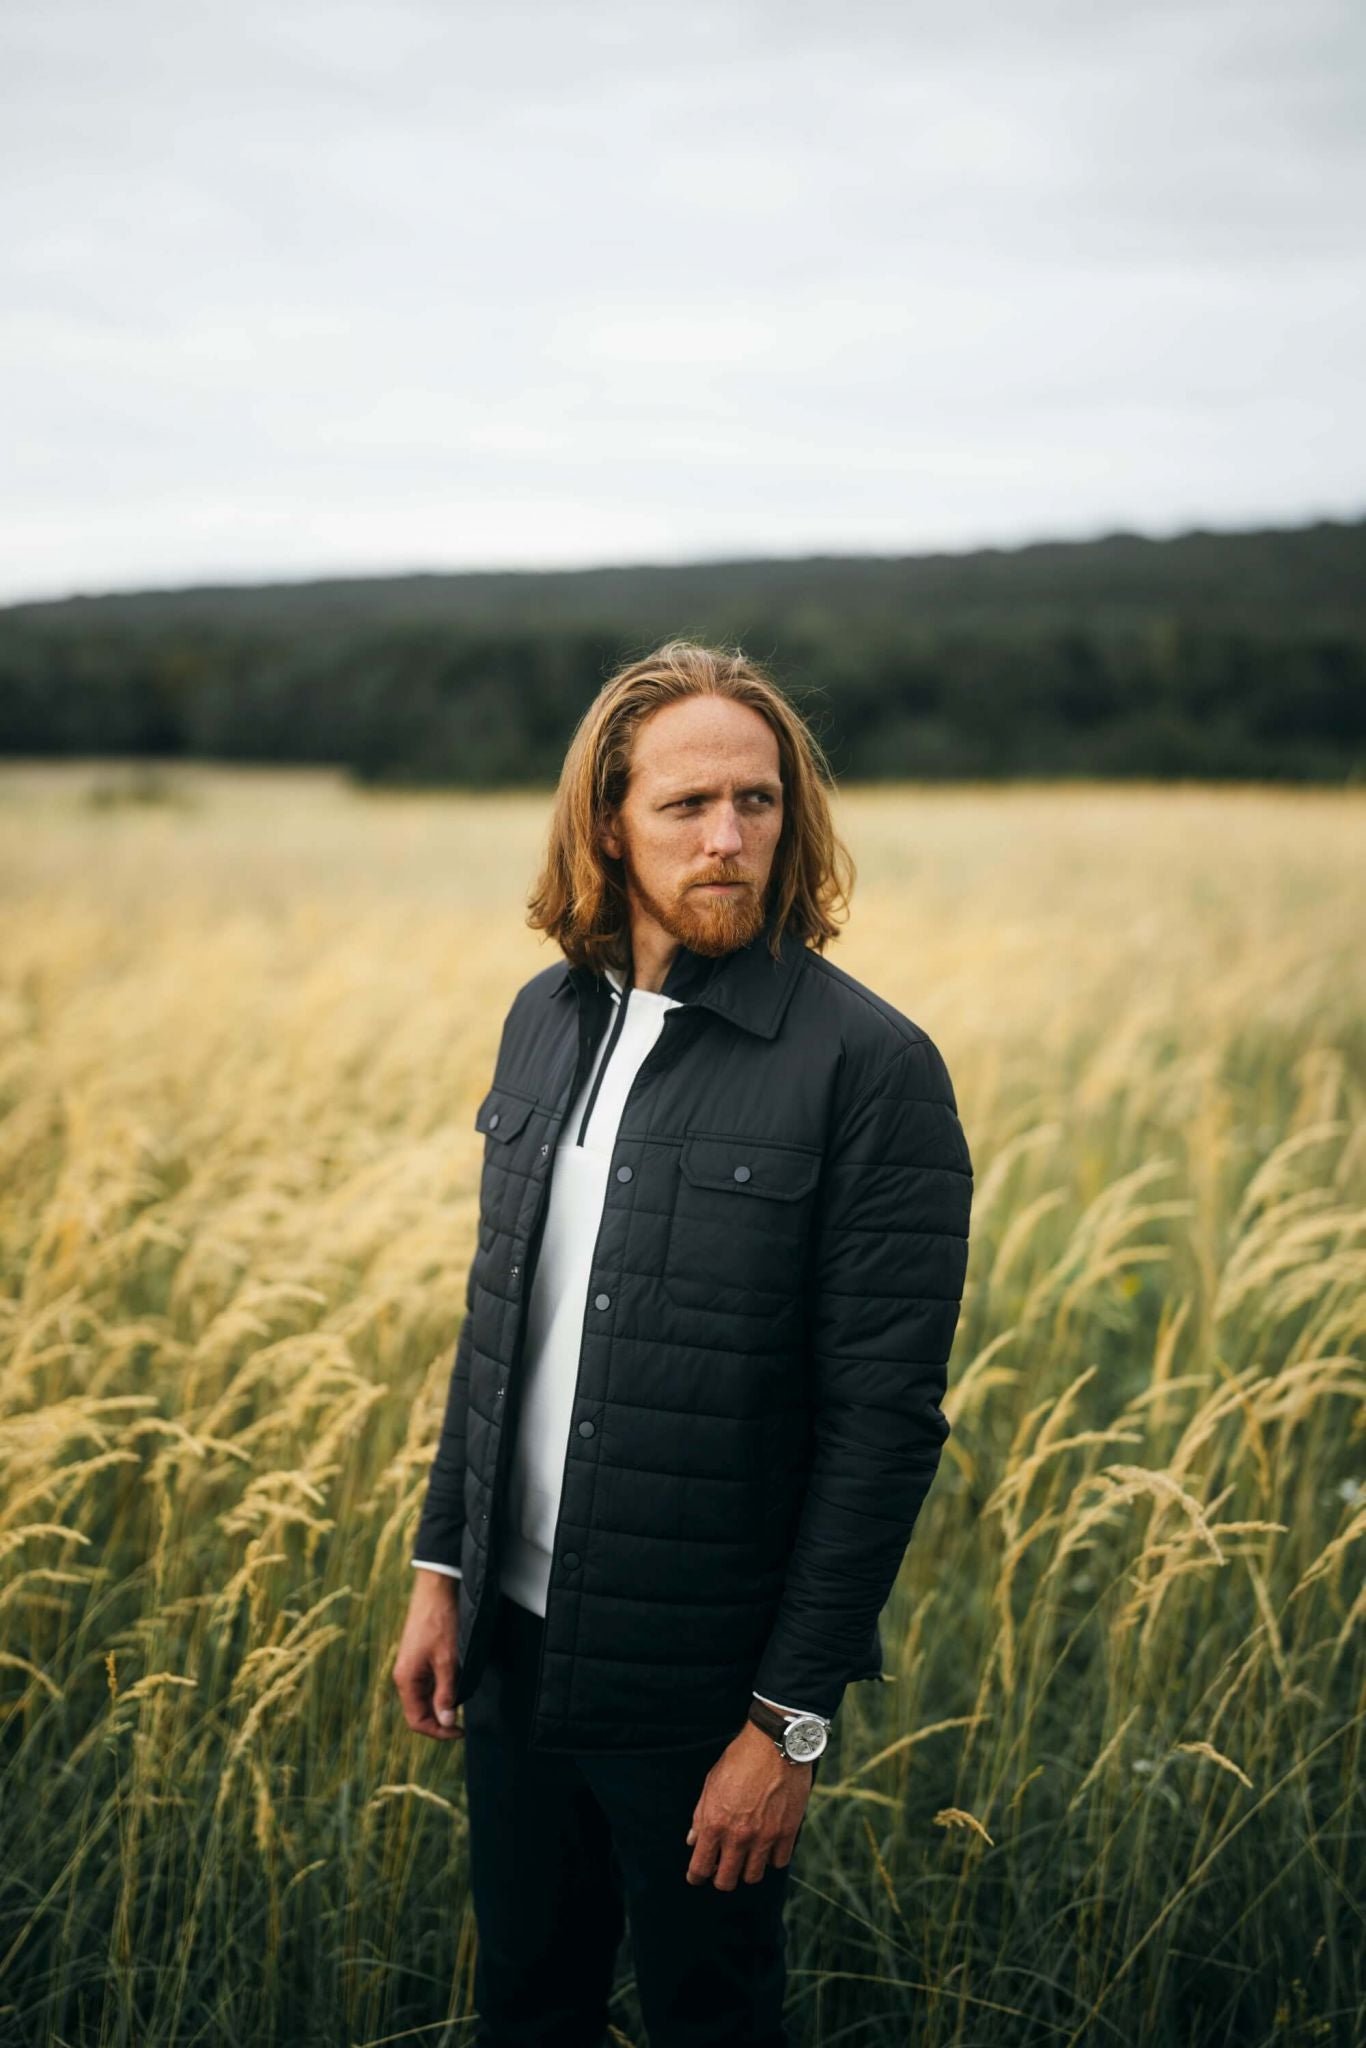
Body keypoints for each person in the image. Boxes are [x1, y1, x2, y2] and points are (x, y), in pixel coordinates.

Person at [393, 640, 974, 2048]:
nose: (729, 839)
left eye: (759, 803)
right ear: (607, 822)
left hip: (703, 1685)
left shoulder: (868, 1070)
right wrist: (439, 1568)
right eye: (686, 806)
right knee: (526, 2008)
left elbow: (880, 1422)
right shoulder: (545, 1021)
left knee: (712, 2023)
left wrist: (788, 1728)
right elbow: (498, 1322)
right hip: (514, 1650)